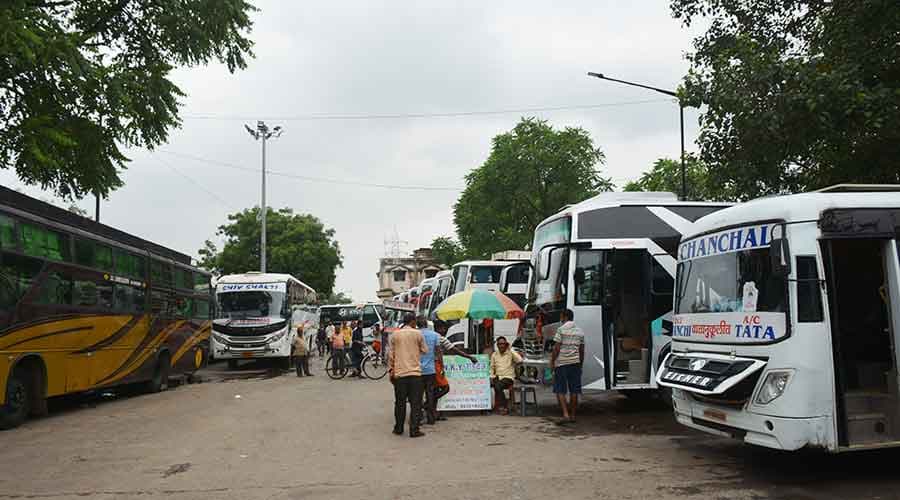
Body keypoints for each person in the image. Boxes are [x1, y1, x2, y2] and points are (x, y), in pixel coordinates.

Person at [388, 313, 427, 438]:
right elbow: (425, 350)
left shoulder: (395, 334)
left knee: (400, 402)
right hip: (415, 373)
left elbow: (391, 355)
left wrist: (391, 371)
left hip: (400, 374)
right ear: (412, 321)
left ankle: (398, 428)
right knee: (416, 403)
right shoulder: (418, 334)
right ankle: (414, 430)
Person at [432, 320, 478, 421]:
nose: (445, 330)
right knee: (445, 388)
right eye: (444, 328)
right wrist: (469, 357)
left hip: (427, 367)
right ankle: (427, 405)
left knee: (434, 389)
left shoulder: (429, 336)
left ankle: (434, 413)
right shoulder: (440, 338)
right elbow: (455, 350)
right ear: (439, 328)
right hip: (436, 366)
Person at [550, 309, 585, 424]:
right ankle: (573, 415)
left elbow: (556, 348)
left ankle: (565, 414)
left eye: (561, 316)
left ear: (564, 317)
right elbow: (581, 350)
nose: (560, 319)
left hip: (562, 364)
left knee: (560, 390)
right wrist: (580, 364)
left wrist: (552, 361)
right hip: (575, 363)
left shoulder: (561, 330)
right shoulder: (580, 331)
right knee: (574, 390)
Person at [416, 316, 441, 425]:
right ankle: (431, 418)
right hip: (430, 370)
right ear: (426, 324)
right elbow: (438, 352)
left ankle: (419, 417)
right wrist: (442, 366)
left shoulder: (415, 335)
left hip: (417, 370)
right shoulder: (435, 335)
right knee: (430, 394)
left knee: (418, 395)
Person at [490, 336, 523, 415]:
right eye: (500, 344)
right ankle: (490, 407)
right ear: (497, 345)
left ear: (506, 344)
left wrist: (510, 349)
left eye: (503, 344)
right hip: (497, 377)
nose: (501, 346)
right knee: (490, 384)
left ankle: (503, 406)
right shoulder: (494, 354)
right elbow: (491, 367)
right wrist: (491, 377)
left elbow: (520, 360)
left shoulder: (510, 353)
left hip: (508, 377)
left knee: (498, 386)